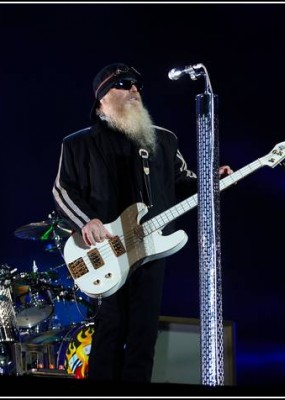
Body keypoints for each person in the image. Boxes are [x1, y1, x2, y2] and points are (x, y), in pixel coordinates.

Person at [52, 62, 232, 382]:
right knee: (110, 330)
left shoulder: (163, 140)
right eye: (123, 84)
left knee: (144, 335)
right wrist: (87, 221)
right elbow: (62, 189)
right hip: (107, 251)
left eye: (137, 85)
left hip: (151, 250)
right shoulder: (77, 144)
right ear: (102, 99)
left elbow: (182, 182)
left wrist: (210, 180)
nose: (134, 90)